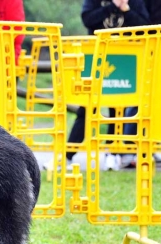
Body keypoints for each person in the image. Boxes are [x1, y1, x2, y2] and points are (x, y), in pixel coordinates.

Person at [56, 0, 150, 172]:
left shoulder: (135, 2)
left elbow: (145, 25)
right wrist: (112, 7)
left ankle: (112, 155)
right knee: (87, 108)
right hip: (97, 59)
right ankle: (67, 155)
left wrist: (126, 10)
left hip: (124, 62)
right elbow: (87, 19)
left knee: (117, 108)